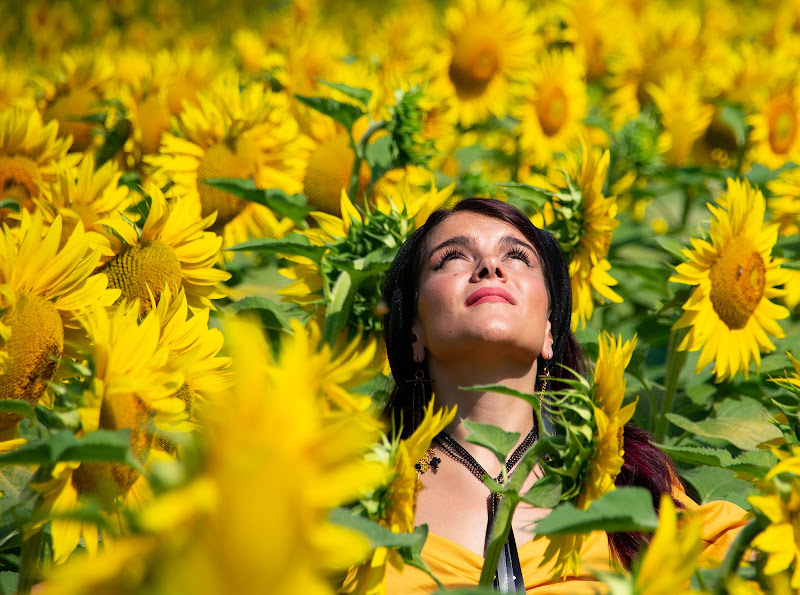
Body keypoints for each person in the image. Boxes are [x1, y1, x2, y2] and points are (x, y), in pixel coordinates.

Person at [380, 198, 747, 593]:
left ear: (548, 332)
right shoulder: (365, 489)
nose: (490, 267)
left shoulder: (626, 479)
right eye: (452, 257)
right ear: (413, 331)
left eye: (518, 257)